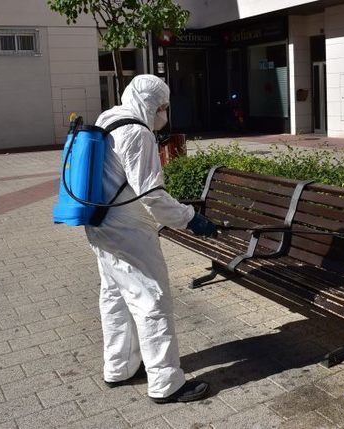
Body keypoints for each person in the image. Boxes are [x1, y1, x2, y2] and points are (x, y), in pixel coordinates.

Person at [85, 75, 218, 403]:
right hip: (128, 230)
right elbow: (151, 195)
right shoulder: (137, 133)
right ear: (149, 104)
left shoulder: (109, 118)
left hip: (99, 222)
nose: (163, 115)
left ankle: (119, 366)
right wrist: (190, 218)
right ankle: (166, 383)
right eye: (161, 107)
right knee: (151, 299)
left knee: (115, 296)